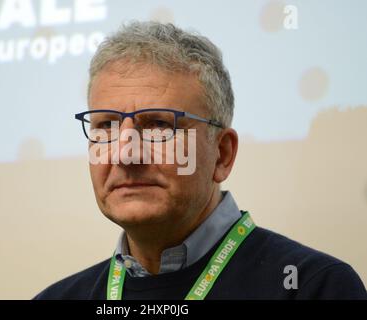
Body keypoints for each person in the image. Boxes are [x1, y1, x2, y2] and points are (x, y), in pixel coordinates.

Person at [35, 21, 366, 300]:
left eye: (159, 125)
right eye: (106, 126)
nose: (125, 153)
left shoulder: (315, 288)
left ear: (222, 155)